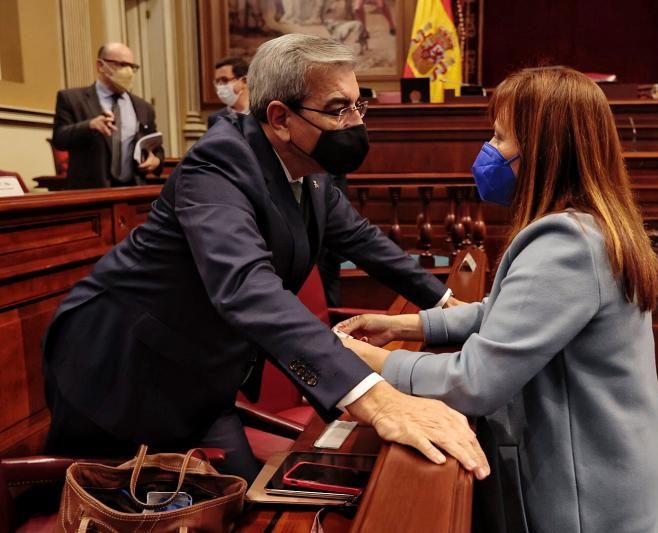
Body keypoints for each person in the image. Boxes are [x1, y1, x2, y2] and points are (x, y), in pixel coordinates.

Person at [42, 33, 488, 485]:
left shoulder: (308, 169)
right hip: (119, 368)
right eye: (339, 109)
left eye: (359, 105)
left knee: (243, 494)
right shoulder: (218, 163)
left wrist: (445, 302)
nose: (355, 121)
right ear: (279, 118)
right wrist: (378, 400)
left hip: (201, 375)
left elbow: (362, 239)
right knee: (90, 500)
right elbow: (245, 287)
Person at [338, 67, 658, 533]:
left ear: (543, 153)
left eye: (500, 138)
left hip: (588, 498)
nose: (488, 152)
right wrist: (408, 327)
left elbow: (475, 381)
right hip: (615, 468)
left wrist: (372, 361)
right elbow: (514, 312)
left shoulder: (566, 244)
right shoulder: (595, 223)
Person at [52, 42, 163, 189]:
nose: (128, 71)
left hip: (133, 190)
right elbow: (59, 139)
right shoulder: (72, 99)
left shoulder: (144, 107)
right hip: (91, 194)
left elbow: (155, 147)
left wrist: (156, 160)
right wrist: (89, 125)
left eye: (132, 67)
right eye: (122, 65)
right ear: (100, 65)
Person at [208, 56, 250, 128]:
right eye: (217, 81)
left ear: (244, 81)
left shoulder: (261, 114)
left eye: (225, 80)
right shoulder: (215, 119)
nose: (220, 86)